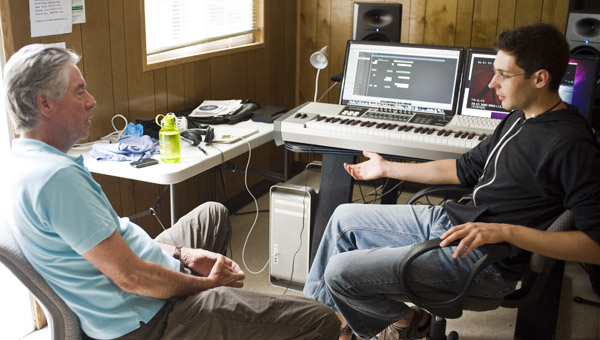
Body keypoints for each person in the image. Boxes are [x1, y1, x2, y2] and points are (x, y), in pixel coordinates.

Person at [4, 44, 340, 340]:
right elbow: (132, 278)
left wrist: (182, 255)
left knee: (213, 214)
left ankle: (219, 317)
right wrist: (207, 286)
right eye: (80, 92)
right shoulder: (56, 179)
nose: (92, 102)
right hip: (148, 320)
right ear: (44, 104)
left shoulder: (23, 159)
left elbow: (115, 238)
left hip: (144, 284)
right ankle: (207, 312)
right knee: (320, 321)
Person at [303, 23, 600, 340]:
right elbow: (463, 170)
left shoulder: (572, 144)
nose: (492, 84)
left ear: (540, 78)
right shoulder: (519, 117)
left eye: (504, 75)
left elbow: (595, 247)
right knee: (343, 218)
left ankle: (405, 321)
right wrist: (388, 168)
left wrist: (505, 231)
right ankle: (330, 328)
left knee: (341, 272)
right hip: (457, 220)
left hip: (485, 260)